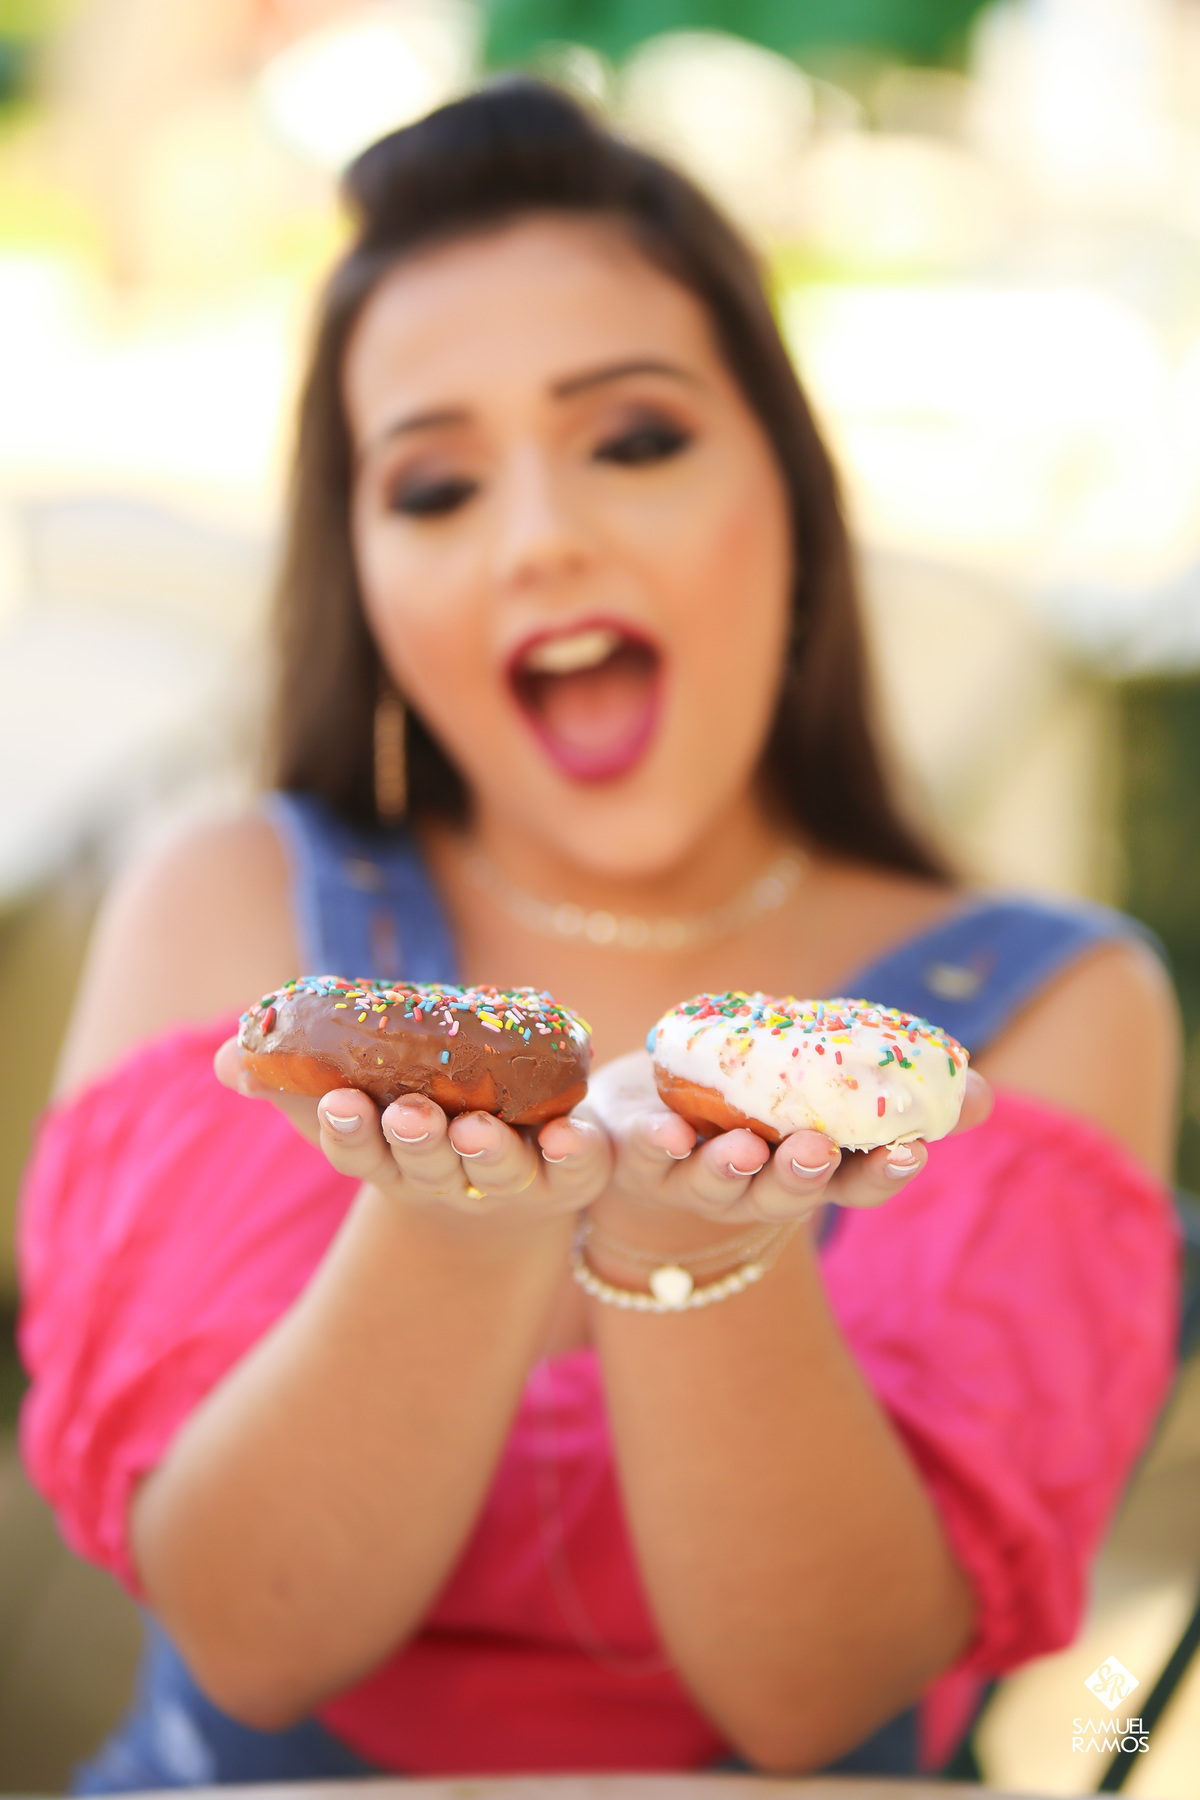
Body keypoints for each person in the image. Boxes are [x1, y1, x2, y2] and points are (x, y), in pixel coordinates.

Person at [18, 81, 1181, 1789]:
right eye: (434, 486)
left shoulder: (1051, 1004)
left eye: (633, 441)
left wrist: (688, 1246)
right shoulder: (225, 911)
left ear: (790, 490)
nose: (542, 538)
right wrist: (458, 1236)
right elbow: (252, 1640)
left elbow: (817, 1703)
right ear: (365, 582)